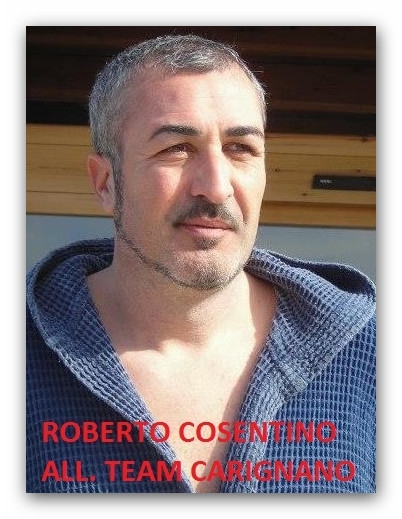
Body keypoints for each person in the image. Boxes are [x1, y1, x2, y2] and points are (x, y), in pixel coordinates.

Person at [26, 34, 376, 493]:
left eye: (240, 148)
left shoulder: (371, 354)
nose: (215, 186)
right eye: (177, 148)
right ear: (106, 182)